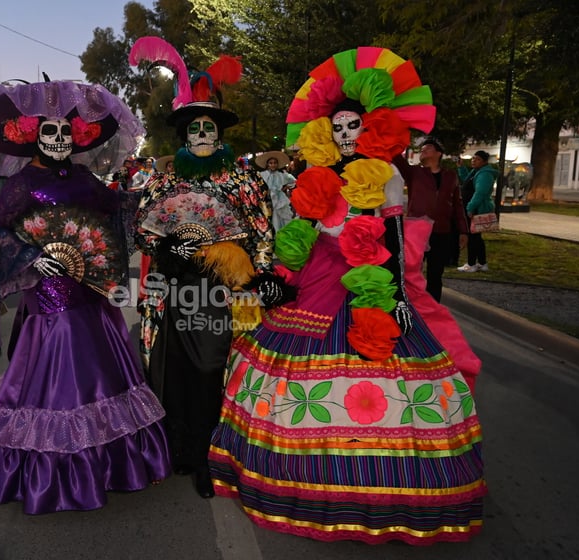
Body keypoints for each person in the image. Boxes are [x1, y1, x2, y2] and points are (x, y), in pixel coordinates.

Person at [208, 46, 486, 544]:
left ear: (371, 127)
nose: (343, 135)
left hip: (372, 275)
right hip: (318, 276)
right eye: (336, 128)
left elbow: (397, 241)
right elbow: (302, 233)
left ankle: (388, 490)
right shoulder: (318, 176)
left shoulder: (390, 176)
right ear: (326, 133)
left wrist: (398, 293)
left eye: (352, 127)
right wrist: (280, 275)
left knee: (387, 359)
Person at [0, 80, 170, 514]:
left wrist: (156, 196)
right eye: (50, 133)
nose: (58, 140)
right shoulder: (21, 184)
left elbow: (116, 209)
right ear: (33, 135)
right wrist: (32, 255)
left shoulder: (84, 177)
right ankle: (55, 469)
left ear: (76, 138)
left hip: (90, 288)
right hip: (49, 292)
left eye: (66, 134)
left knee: (103, 364)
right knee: (58, 364)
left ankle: (111, 462)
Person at [131, 37, 290, 498]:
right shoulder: (166, 179)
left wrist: (257, 278)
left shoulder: (242, 178)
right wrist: (171, 250)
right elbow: (146, 230)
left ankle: (209, 456)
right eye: (194, 129)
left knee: (211, 368)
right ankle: (179, 451)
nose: (202, 136)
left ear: (220, 134)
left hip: (221, 288)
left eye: (209, 129)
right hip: (174, 288)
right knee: (171, 367)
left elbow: (262, 231)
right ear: (184, 135)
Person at [395, 138, 468, 302]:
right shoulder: (414, 173)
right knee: (413, 271)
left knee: (436, 273)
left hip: (441, 231)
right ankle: (411, 304)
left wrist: (463, 230)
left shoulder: (450, 177)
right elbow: (396, 158)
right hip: (417, 231)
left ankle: (432, 307)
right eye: (421, 149)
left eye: (427, 148)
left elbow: (457, 204)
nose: (423, 151)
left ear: (438, 153)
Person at [458, 150, 497, 272]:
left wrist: (470, 207)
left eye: (478, 159)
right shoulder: (477, 171)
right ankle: (482, 263)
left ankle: (471, 264)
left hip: (477, 209)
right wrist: (461, 168)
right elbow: (467, 182)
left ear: (484, 162)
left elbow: (480, 193)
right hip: (475, 207)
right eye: (473, 158)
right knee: (477, 238)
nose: (474, 160)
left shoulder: (485, 174)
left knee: (473, 237)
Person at [255, 150, 296, 232]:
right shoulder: (262, 174)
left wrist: (285, 187)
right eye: (271, 163)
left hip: (279, 199)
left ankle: (281, 235)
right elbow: (258, 186)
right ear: (267, 164)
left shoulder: (282, 175)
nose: (273, 165)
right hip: (267, 199)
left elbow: (293, 181)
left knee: (280, 218)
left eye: (275, 163)